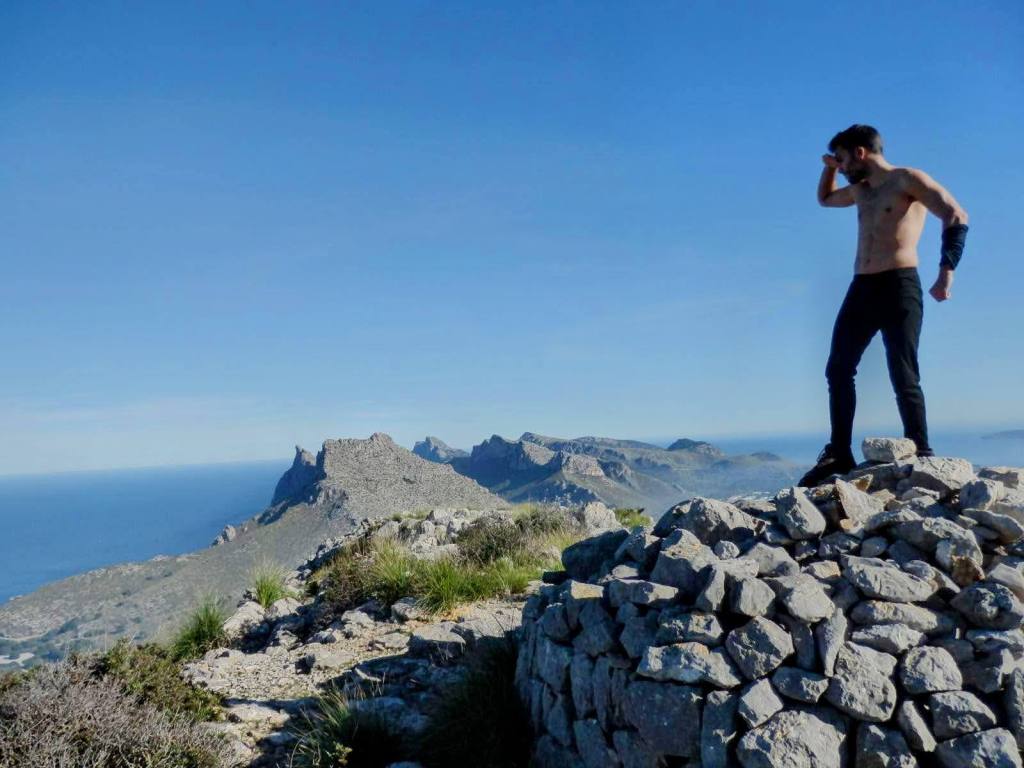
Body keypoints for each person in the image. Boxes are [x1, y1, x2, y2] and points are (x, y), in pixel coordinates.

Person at [798, 124, 970, 487]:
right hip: (862, 287)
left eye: (843, 159)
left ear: (861, 152)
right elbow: (825, 200)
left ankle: (922, 454)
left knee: (903, 372)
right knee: (838, 368)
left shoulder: (908, 179)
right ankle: (839, 453)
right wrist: (828, 167)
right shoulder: (860, 192)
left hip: (899, 284)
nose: (841, 167)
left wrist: (946, 273)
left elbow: (956, 215)